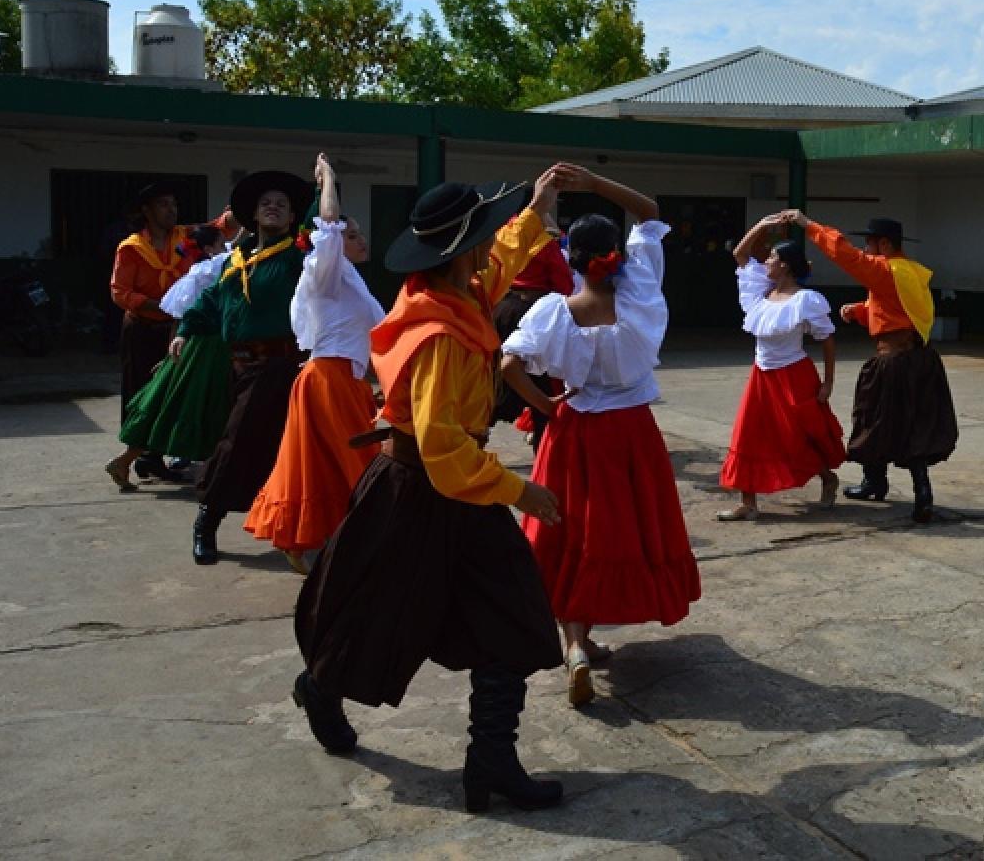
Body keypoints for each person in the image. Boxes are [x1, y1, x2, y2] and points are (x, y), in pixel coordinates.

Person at [292, 168, 568, 814]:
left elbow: (500, 262)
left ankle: (490, 760)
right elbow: (443, 447)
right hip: (419, 491)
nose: (491, 243)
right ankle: (318, 686)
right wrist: (518, 491)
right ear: (461, 249)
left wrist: (537, 210)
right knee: (372, 619)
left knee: (516, 616)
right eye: (484, 233)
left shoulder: (457, 295)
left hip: (453, 489)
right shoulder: (439, 332)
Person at [498, 166, 701, 709]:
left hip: (574, 427)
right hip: (631, 429)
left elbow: (509, 364)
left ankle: (576, 645)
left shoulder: (553, 311)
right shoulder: (640, 298)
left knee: (571, 531)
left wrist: (544, 405)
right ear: (618, 255)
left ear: (572, 259)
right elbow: (651, 211)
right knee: (620, 530)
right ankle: (583, 640)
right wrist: (594, 181)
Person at [244, 154, 385, 574]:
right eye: (350, 232)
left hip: (345, 379)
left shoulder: (351, 281)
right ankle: (372, 541)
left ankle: (309, 540)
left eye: (355, 232)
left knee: (324, 465)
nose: (358, 238)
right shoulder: (322, 269)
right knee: (362, 464)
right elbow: (326, 225)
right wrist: (329, 181)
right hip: (328, 378)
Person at [173, 170, 315, 566]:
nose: (273, 207)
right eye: (266, 202)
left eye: (282, 204)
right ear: (252, 213)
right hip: (233, 366)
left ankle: (209, 519)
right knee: (238, 441)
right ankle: (214, 521)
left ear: (291, 218)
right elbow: (212, 302)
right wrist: (186, 329)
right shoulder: (236, 260)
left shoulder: (298, 259)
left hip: (279, 365)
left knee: (246, 445)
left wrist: (325, 183)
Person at [787, 211, 958, 523]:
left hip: (892, 361)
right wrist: (861, 311)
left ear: (884, 244)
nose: (865, 250)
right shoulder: (912, 272)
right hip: (922, 360)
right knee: (914, 426)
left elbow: (844, 253)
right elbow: (899, 310)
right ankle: (922, 493)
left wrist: (807, 225)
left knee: (871, 419)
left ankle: (874, 481)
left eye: (868, 244)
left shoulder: (883, 269)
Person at [716, 210, 844, 521]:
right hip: (761, 375)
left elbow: (827, 340)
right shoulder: (760, 292)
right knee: (747, 434)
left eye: (772, 257)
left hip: (795, 375)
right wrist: (763, 225)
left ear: (784, 265)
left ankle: (827, 478)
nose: (767, 261)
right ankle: (748, 502)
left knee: (798, 436)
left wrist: (828, 383)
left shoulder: (806, 299)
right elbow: (740, 253)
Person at [108, 183, 234, 487]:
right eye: (163, 204)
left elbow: (221, 227)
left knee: (168, 391)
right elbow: (120, 292)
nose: (171, 210)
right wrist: (162, 306)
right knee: (144, 390)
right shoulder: (132, 247)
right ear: (146, 211)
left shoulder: (186, 237)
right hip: (143, 327)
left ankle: (149, 458)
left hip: (178, 329)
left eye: (174, 204)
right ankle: (139, 453)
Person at [491, 220, 574, 450]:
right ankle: (542, 440)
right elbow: (563, 283)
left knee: (494, 379)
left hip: (503, 307)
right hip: (534, 310)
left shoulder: (504, 236)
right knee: (543, 381)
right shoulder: (545, 245)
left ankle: (475, 432)